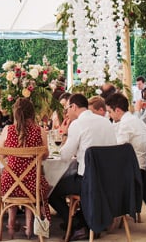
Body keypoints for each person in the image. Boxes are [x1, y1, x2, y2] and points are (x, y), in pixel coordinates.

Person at [47, 94, 118, 240]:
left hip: (87, 180)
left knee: (50, 189)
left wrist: (65, 136)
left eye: (67, 108)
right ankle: (86, 221)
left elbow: (65, 156)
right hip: (109, 179)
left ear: (73, 106)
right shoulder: (106, 122)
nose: (66, 112)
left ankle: (76, 225)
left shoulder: (78, 125)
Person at [0, 97, 51, 238]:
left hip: (8, 185)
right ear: (32, 113)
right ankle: (29, 226)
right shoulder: (40, 131)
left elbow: (0, 155)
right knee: (35, 182)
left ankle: (10, 224)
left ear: (15, 113)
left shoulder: (7, 130)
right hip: (33, 186)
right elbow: (45, 155)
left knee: (13, 179)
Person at [106, 93, 146, 171]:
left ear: (117, 110)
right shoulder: (134, 119)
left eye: (109, 112)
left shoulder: (126, 124)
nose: (109, 115)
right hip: (142, 165)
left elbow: (116, 149)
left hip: (136, 170)